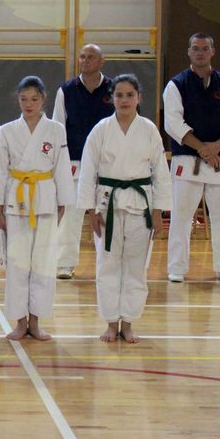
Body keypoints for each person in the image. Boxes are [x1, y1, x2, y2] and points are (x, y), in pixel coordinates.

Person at [77, 74, 170, 344]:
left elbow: (160, 172)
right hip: (107, 203)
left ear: (139, 98)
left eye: (130, 95)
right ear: (111, 98)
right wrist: (90, 211)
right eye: (119, 95)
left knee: (136, 266)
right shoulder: (101, 130)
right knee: (107, 264)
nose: (125, 100)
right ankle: (110, 322)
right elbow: (88, 171)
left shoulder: (149, 129)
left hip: (141, 204)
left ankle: (128, 322)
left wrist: (159, 212)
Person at [0, 76, 73, 341]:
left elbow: (62, 166)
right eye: (24, 99)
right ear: (18, 99)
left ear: (43, 99)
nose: (29, 104)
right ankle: (19, 322)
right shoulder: (6, 131)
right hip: (16, 200)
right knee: (18, 264)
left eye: (34, 99)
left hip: (46, 198)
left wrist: (63, 201)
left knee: (43, 264)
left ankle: (36, 321)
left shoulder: (56, 130)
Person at [163, 33, 220, 284]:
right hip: (188, 159)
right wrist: (202, 148)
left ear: (212, 52)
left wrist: (217, 146)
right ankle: (177, 267)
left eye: (204, 48)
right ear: (189, 52)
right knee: (181, 215)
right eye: (195, 48)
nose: (200, 52)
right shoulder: (176, 85)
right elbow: (173, 122)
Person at [52, 43, 114, 280]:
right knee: (70, 216)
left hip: (106, 164)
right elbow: (58, 128)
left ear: (101, 61)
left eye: (90, 57)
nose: (85, 60)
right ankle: (64, 263)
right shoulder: (66, 90)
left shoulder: (114, 89)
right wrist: (59, 165)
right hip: (74, 162)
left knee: (106, 215)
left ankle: (108, 265)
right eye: (82, 56)